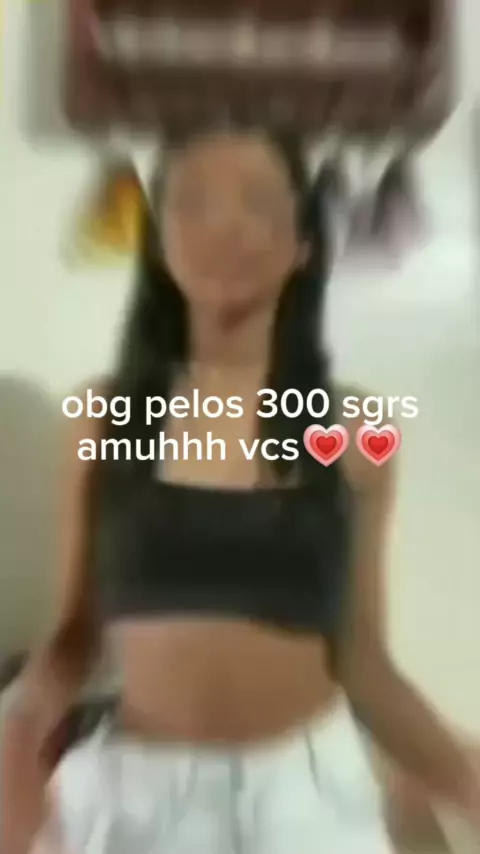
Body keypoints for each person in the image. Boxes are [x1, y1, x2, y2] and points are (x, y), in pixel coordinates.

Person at [2, 124, 479, 854]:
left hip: (310, 794)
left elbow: (365, 662)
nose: (224, 226)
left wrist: (466, 779)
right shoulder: (102, 418)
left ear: (303, 243)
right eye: (194, 203)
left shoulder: (356, 430)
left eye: (256, 202)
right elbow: (72, 641)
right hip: (139, 797)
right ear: (159, 242)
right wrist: (17, 734)